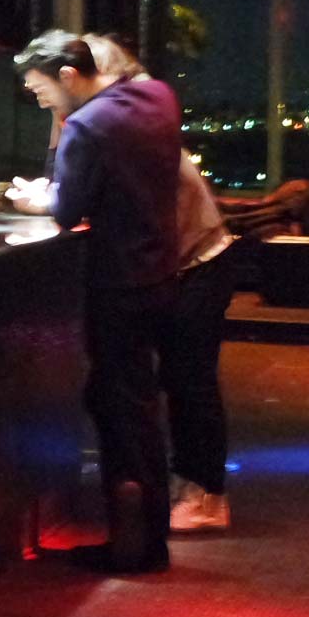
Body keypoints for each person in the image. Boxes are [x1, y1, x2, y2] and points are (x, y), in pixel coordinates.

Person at [10, 31, 187, 572]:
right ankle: (148, 536)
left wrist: (40, 201)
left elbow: (68, 212)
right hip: (160, 271)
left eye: (41, 90)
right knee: (140, 408)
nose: (39, 99)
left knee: (118, 411)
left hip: (117, 283)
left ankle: (134, 550)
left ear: (68, 76)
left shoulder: (87, 124)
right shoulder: (157, 97)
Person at [89, 35, 235, 533]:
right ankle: (186, 488)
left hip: (200, 259)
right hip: (185, 260)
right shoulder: (135, 114)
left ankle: (206, 495)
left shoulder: (127, 120)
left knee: (189, 381)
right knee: (179, 380)